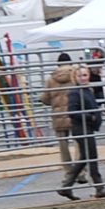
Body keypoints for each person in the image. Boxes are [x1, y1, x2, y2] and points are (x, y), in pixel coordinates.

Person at [59, 67, 105, 199]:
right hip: (81, 128)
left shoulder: (87, 90)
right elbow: (72, 111)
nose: (83, 78)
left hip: (87, 128)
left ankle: (67, 186)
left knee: (85, 157)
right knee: (91, 156)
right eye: (80, 76)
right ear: (75, 78)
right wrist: (90, 117)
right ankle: (99, 187)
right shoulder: (75, 93)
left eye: (85, 75)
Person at [39, 52, 80, 190]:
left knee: (63, 147)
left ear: (58, 64)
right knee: (79, 144)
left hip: (58, 115)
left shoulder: (51, 79)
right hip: (74, 115)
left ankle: (68, 173)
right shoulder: (75, 75)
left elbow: (44, 98)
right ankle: (81, 172)